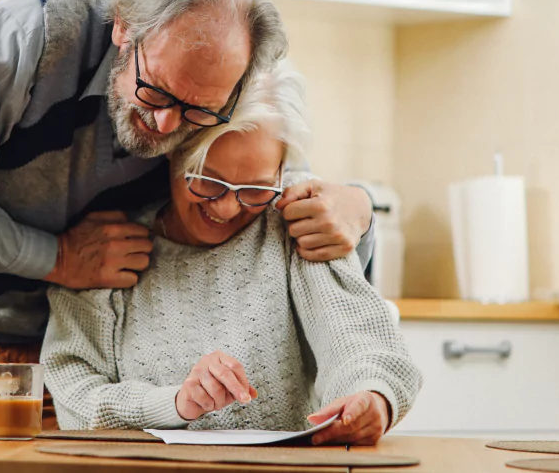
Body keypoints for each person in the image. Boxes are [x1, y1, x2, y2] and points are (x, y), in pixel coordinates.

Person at [0, 0, 377, 434]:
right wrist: (58, 258)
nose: (166, 126)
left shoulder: (224, 80)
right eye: (154, 90)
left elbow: (278, 190)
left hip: (55, 352)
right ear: (123, 27)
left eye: (197, 112)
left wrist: (359, 206)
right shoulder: (34, 30)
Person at [41, 63, 422, 445]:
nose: (225, 209)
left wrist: (373, 398)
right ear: (172, 155)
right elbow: (75, 398)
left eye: (255, 190)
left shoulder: (295, 220)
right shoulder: (106, 251)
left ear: (281, 171)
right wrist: (174, 403)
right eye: (206, 180)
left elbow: (361, 341)